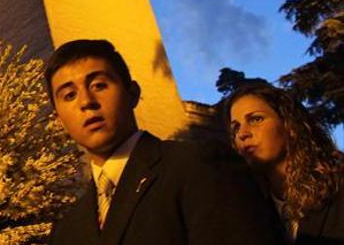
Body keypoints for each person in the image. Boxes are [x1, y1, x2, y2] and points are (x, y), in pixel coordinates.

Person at [45, 39, 285, 245]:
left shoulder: (199, 165)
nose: (86, 101)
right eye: (69, 95)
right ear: (59, 121)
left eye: (99, 85)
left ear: (132, 93)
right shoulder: (66, 229)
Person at [226, 82, 344, 244]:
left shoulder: (338, 184)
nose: (242, 134)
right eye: (236, 127)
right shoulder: (248, 208)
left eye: (255, 119)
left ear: (290, 125)